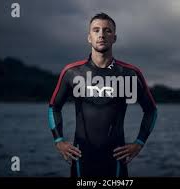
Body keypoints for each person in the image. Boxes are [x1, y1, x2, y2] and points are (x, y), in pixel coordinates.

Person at [48, 13, 157, 177]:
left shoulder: (129, 74)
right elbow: (54, 107)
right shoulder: (72, 72)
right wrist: (58, 141)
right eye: (96, 30)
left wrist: (139, 143)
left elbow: (151, 110)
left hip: (115, 160)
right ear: (89, 38)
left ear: (114, 37)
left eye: (107, 31)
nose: (101, 35)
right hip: (81, 159)